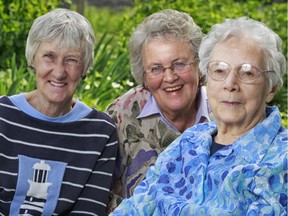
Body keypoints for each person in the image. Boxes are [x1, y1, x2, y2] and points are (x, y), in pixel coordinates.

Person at [110, 16, 287, 215]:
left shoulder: (280, 159)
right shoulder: (188, 142)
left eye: (247, 73)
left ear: (271, 88)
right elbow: (136, 206)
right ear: (208, 78)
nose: (230, 84)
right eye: (219, 70)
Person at [0, 8, 118, 216]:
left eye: (71, 59)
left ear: (84, 67)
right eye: (49, 57)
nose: (59, 71)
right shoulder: (3, 115)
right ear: (33, 59)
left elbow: (88, 212)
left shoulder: (100, 133)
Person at [105, 9, 211, 211]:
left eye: (180, 64)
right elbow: (101, 194)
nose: (170, 77)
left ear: (199, 64)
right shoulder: (120, 114)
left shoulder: (226, 112)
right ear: (143, 75)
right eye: (156, 69)